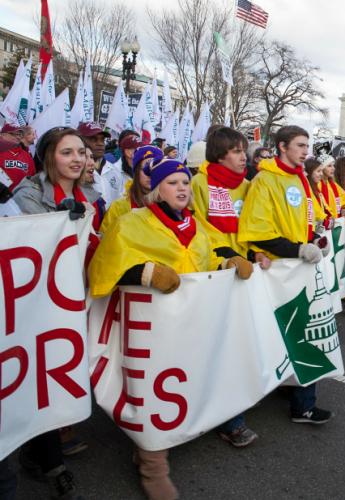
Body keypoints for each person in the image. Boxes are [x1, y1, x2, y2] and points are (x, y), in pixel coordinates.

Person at [88, 157, 253, 500]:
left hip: (191, 323)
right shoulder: (134, 222)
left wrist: (228, 262)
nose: (181, 188)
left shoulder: (196, 224)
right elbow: (105, 269)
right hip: (150, 327)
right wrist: (147, 274)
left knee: (184, 384)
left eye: (184, 182)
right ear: (157, 190)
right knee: (150, 390)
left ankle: (152, 444)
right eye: (172, 182)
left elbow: (209, 256)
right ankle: (153, 465)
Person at [237, 125, 333, 426]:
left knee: (303, 332)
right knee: (286, 333)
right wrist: (299, 250)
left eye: (308, 145)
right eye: (300, 145)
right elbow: (258, 232)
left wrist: (318, 238)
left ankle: (301, 401)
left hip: (300, 268)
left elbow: (311, 217)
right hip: (279, 271)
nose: (306, 151)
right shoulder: (265, 181)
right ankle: (293, 401)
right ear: (282, 146)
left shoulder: (300, 178)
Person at [190, 126, 266, 447]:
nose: (242, 156)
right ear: (219, 154)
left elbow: (256, 222)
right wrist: (228, 256)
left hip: (246, 272)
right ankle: (229, 420)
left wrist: (256, 251)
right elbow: (198, 228)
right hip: (216, 274)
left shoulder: (249, 186)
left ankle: (232, 410)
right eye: (236, 151)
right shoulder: (198, 182)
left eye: (243, 150)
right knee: (219, 347)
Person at [14, 127, 103, 231]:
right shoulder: (29, 196)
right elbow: (37, 242)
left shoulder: (90, 194)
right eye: (67, 153)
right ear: (49, 158)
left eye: (81, 152)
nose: (78, 159)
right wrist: (78, 222)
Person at [100, 145, 162, 234]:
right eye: (146, 169)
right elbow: (106, 239)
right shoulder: (118, 207)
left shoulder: (170, 204)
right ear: (136, 172)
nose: (151, 173)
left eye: (156, 169)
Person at [0, 124, 36, 196]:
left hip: (14, 201)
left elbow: (32, 181)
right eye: (13, 134)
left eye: (20, 134)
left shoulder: (27, 156)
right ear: (2, 135)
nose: (17, 137)